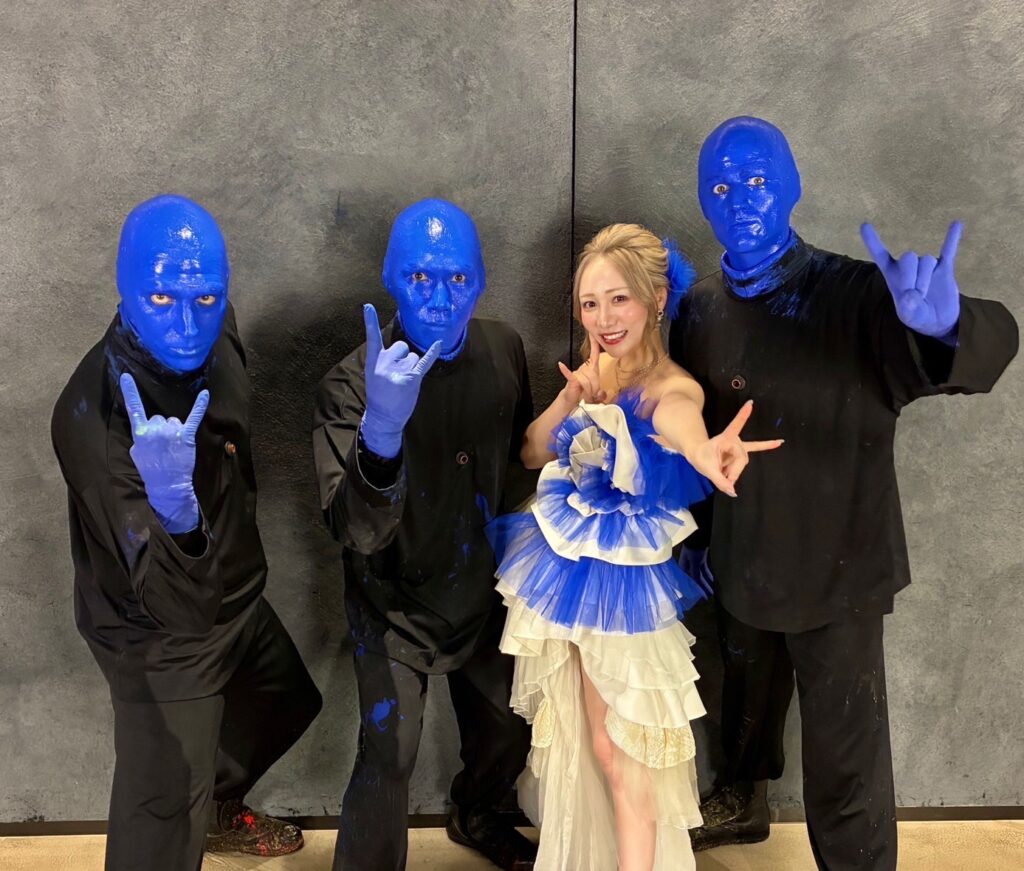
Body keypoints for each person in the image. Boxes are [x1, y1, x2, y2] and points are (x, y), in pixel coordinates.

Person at [671, 116, 1019, 870]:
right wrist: (698, 539)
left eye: (758, 181)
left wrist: (947, 325)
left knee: (845, 764)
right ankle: (742, 802)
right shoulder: (698, 309)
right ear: (701, 201)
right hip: (741, 564)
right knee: (742, 710)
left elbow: (990, 347)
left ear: (793, 185)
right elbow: (688, 429)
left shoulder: (860, 294)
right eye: (721, 189)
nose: (741, 202)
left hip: (840, 573)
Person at [489, 223, 783, 871]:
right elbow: (532, 451)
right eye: (590, 303)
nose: (603, 318)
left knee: (625, 757)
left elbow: (681, 424)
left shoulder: (670, 386)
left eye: (618, 299)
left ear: (656, 299)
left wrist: (705, 450)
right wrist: (571, 395)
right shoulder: (595, 369)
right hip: (566, 577)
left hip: (623, 589)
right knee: (591, 743)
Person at [51, 194, 322, 871]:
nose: (186, 325)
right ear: (124, 290)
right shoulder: (93, 421)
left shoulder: (217, 324)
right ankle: (186, 811)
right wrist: (174, 511)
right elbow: (177, 608)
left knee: (286, 701)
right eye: (161, 300)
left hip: (234, 593)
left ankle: (215, 808)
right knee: (162, 821)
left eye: (204, 298)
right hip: (159, 630)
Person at [313, 198, 538, 871]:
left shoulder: (504, 349)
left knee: (509, 725)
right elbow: (352, 530)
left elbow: (515, 461)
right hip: (391, 603)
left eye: (458, 279)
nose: (440, 299)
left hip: (482, 587)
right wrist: (381, 432)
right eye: (420, 278)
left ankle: (478, 811)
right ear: (390, 277)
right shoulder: (349, 385)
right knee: (390, 750)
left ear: (481, 280)